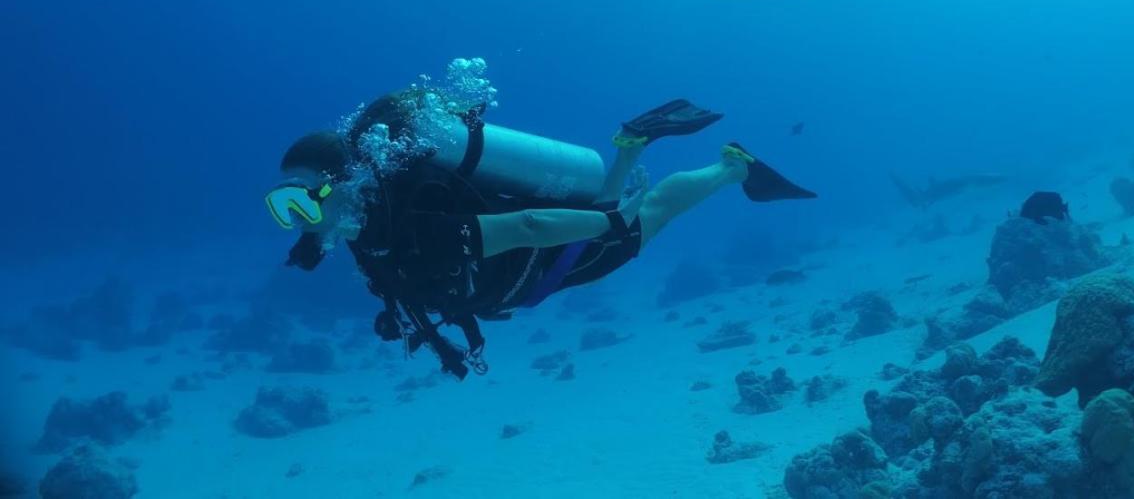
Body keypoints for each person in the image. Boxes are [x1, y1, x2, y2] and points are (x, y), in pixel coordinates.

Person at [264, 88, 816, 378]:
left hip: (549, 263)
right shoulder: (363, 221)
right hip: (533, 267)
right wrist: (310, 239)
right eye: (282, 205)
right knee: (634, 216)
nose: (297, 217)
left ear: (344, 183)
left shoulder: (413, 229)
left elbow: (527, 225)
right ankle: (640, 164)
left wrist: (607, 220)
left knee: (650, 214)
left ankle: (726, 166)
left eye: (300, 200)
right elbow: (329, 230)